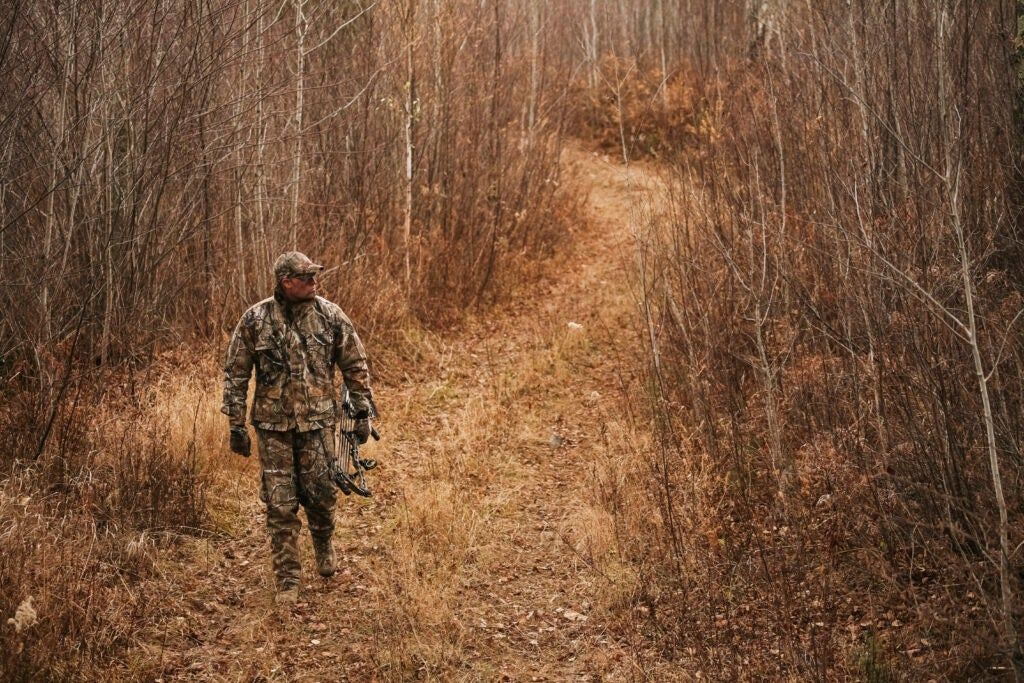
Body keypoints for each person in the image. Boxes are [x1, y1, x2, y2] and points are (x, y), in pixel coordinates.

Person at [221, 251, 376, 606]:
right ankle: (287, 576)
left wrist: (362, 412)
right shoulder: (255, 320)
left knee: (321, 494)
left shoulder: (330, 315)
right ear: (285, 282)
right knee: (280, 503)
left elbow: (355, 363)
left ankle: (323, 542)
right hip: (273, 427)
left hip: (319, 423)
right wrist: (236, 424)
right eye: (305, 277)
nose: (313, 282)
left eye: (314, 276)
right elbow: (236, 373)